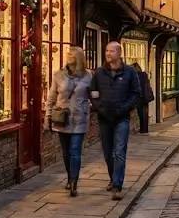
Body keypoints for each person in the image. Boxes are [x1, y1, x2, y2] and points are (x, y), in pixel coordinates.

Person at [90, 41, 141, 201]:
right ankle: (113, 178)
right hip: (104, 117)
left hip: (121, 118)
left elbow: (136, 94)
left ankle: (117, 185)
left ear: (119, 53)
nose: (108, 54)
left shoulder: (130, 72)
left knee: (119, 151)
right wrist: (100, 108)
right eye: (106, 50)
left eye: (112, 51)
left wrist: (124, 108)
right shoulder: (99, 73)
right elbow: (92, 93)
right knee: (107, 153)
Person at [46, 47, 93, 197]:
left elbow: (93, 95)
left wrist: (90, 104)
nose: (69, 56)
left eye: (72, 54)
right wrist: (47, 116)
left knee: (75, 150)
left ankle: (74, 182)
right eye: (68, 54)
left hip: (79, 118)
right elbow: (51, 98)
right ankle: (69, 176)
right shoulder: (59, 75)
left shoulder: (88, 75)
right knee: (66, 152)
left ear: (79, 57)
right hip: (62, 118)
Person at [132, 62, 154, 134]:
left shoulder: (137, 76)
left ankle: (142, 129)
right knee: (144, 113)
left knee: (141, 113)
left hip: (140, 97)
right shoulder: (144, 74)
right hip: (146, 97)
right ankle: (145, 129)